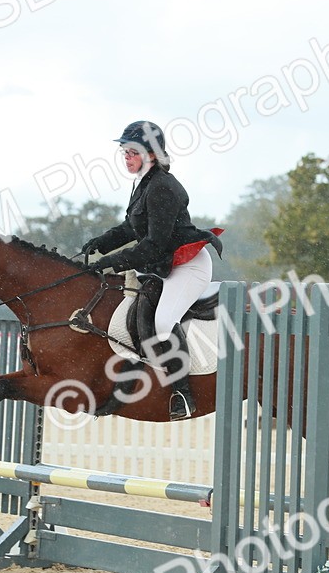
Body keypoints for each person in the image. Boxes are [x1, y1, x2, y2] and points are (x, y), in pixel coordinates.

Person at [81, 120, 223, 420]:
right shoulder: (143, 183)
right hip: (163, 266)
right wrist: (101, 244)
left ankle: (183, 394)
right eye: (125, 152)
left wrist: (111, 262)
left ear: (153, 154)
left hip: (187, 267)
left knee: (162, 321)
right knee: (141, 313)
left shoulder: (163, 188)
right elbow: (130, 228)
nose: (127, 157)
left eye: (132, 151)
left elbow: (153, 245)